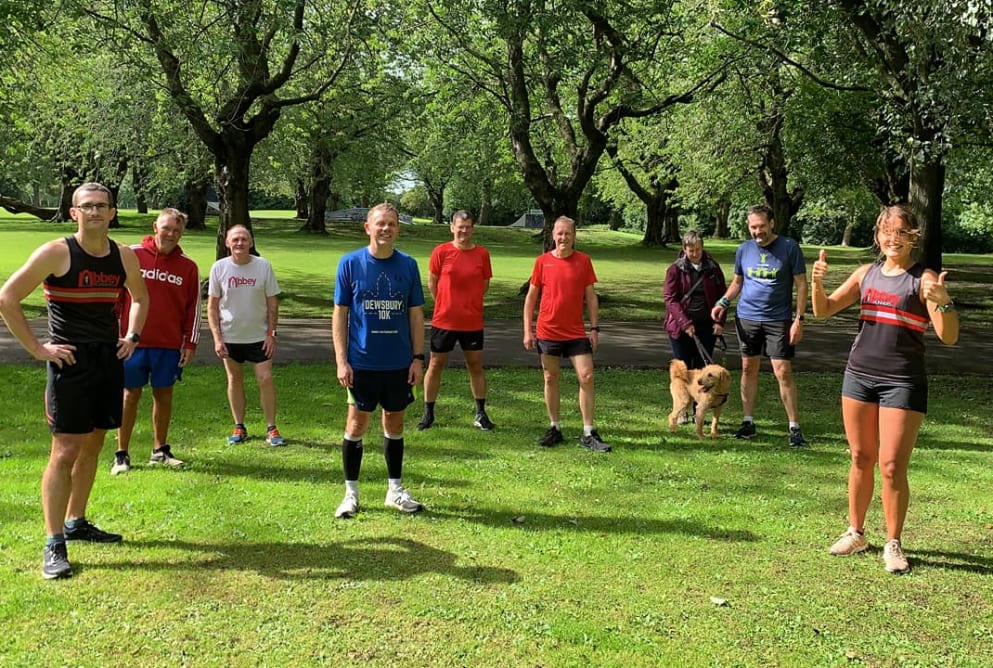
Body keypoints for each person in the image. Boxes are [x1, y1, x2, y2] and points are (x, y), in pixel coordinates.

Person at [0, 182, 148, 580]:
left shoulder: (123, 256)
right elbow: (7, 297)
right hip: (69, 362)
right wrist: (37, 349)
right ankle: (53, 542)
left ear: (113, 212)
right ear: (73, 213)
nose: (95, 212)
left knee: (96, 440)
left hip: (107, 359)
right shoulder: (57, 252)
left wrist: (132, 335)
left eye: (102, 206)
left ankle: (76, 521)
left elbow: (140, 298)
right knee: (65, 450)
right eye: (87, 206)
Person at [813, 205, 958, 574]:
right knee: (861, 457)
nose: (893, 238)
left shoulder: (921, 280)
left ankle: (893, 543)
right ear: (878, 235)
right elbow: (824, 310)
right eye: (886, 231)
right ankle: (856, 532)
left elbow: (949, 336)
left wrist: (943, 301)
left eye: (901, 232)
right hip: (859, 375)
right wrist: (815, 282)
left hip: (903, 381)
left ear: (914, 236)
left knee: (892, 465)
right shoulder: (867, 274)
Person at [332, 203, 426, 518]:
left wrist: (417, 358)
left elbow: (415, 316)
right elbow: (340, 315)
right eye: (380, 224)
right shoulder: (350, 264)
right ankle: (351, 494)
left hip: (398, 363)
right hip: (362, 363)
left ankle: (395, 490)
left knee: (394, 422)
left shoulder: (409, 266)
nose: (386, 229)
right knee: (356, 424)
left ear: (398, 229)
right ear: (368, 228)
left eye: (391, 224)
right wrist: (341, 360)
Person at [710, 204, 808, 446]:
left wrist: (799, 319)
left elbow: (802, 284)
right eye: (753, 227)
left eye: (762, 226)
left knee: (782, 371)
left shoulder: (789, 247)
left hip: (778, 318)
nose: (758, 231)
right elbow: (737, 282)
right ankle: (748, 422)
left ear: (771, 223)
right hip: (747, 317)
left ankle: (794, 428)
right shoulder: (744, 250)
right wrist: (723, 301)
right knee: (747, 369)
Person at [112, 208, 201, 474]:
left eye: (177, 231)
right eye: (166, 228)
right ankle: (121, 454)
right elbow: (115, 299)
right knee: (129, 395)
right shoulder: (132, 255)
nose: (171, 234)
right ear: (155, 227)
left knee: (164, 395)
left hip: (168, 345)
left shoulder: (188, 266)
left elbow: (193, 308)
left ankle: (160, 450)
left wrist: (190, 343)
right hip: (132, 343)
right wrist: (115, 335)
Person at [523, 216, 610, 452]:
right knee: (550, 378)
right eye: (559, 233)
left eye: (568, 233)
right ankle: (555, 427)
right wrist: (527, 330)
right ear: (552, 235)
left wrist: (594, 328)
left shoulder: (583, 261)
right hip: (547, 330)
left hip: (576, 333)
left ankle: (588, 432)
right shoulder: (542, 262)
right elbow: (531, 298)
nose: (563, 238)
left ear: (574, 236)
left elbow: (591, 297)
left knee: (587, 376)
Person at [207, 224, 285, 446]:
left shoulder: (263, 266)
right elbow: (212, 307)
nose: (239, 243)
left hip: (260, 336)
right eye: (235, 239)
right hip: (230, 337)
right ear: (227, 243)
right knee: (234, 379)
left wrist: (271, 334)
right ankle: (239, 426)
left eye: (244, 239)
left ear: (251, 242)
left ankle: (271, 428)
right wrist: (217, 338)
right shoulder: (219, 268)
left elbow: (272, 303)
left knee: (265, 378)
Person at [417, 209, 494, 431]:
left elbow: (485, 285)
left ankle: (480, 413)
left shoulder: (482, 254)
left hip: (472, 322)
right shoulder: (441, 251)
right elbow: (432, 282)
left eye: (468, 227)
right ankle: (428, 413)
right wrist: (445, 303)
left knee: (475, 366)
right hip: (444, 321)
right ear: (452, 227)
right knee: (435, 364)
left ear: (473, 228)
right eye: (460, 226)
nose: (464, 231)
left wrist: (469, 302)